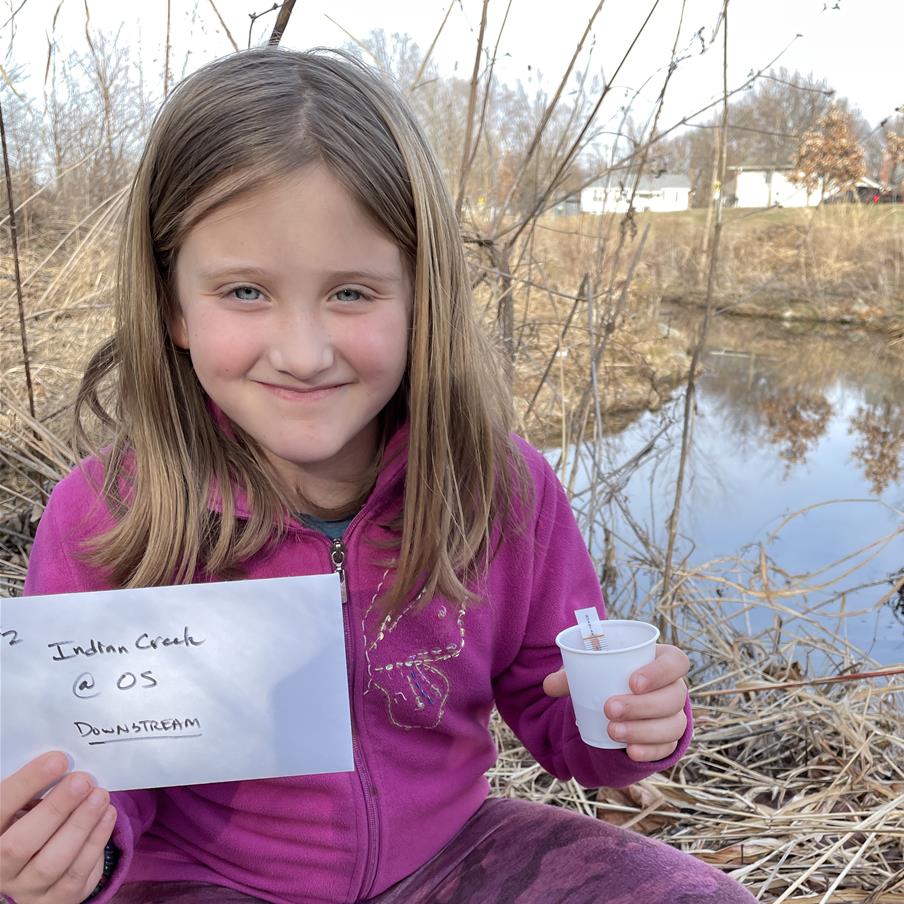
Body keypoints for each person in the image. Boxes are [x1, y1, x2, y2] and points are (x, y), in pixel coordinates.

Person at [0, 48, 756, 904]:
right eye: (244, 292)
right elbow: (98, 778)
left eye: (352, 294)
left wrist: (630, 724)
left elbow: (557, 711)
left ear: (420, 296)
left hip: (454, 857)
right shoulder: (105, 517)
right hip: (202, 880)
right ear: (173, 304)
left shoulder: (502, 490)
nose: (302, 352)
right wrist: (70, 857)